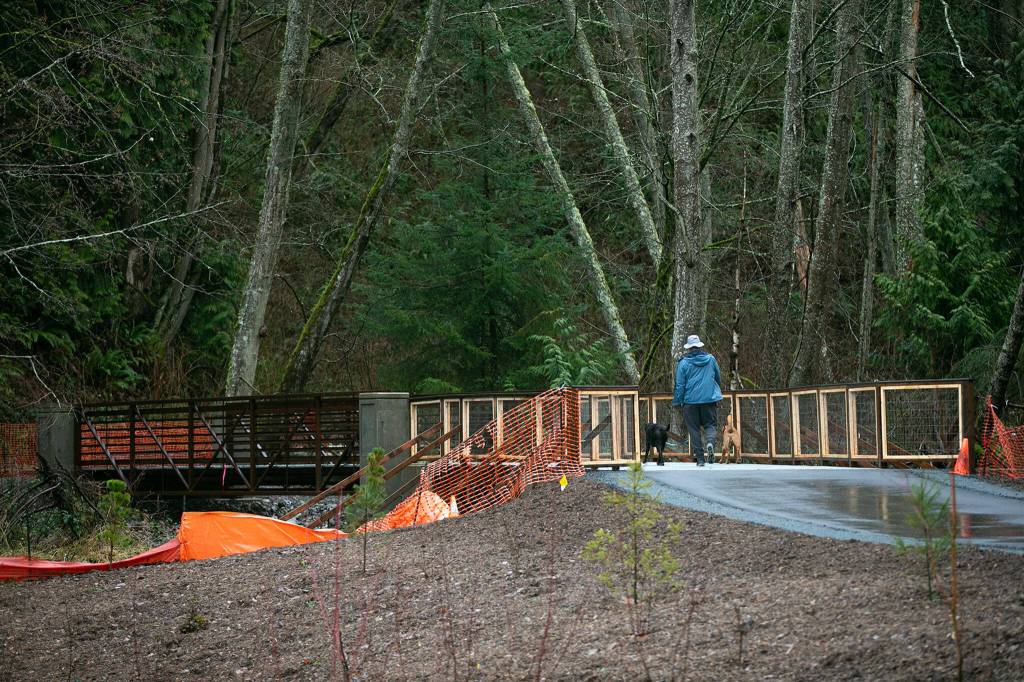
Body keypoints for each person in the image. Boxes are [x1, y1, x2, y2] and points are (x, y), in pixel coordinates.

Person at [672, 334, 722, 467]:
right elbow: (717, 377)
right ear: (699, 346)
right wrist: (715, 391)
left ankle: (700, 459)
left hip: (690, 402)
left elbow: (680, 385)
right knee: (710, 425)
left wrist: (678, 401)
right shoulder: (711, 360)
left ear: (689, 348)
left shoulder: (683, 363)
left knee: (694, 430)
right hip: (708, 400)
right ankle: (710, 443)